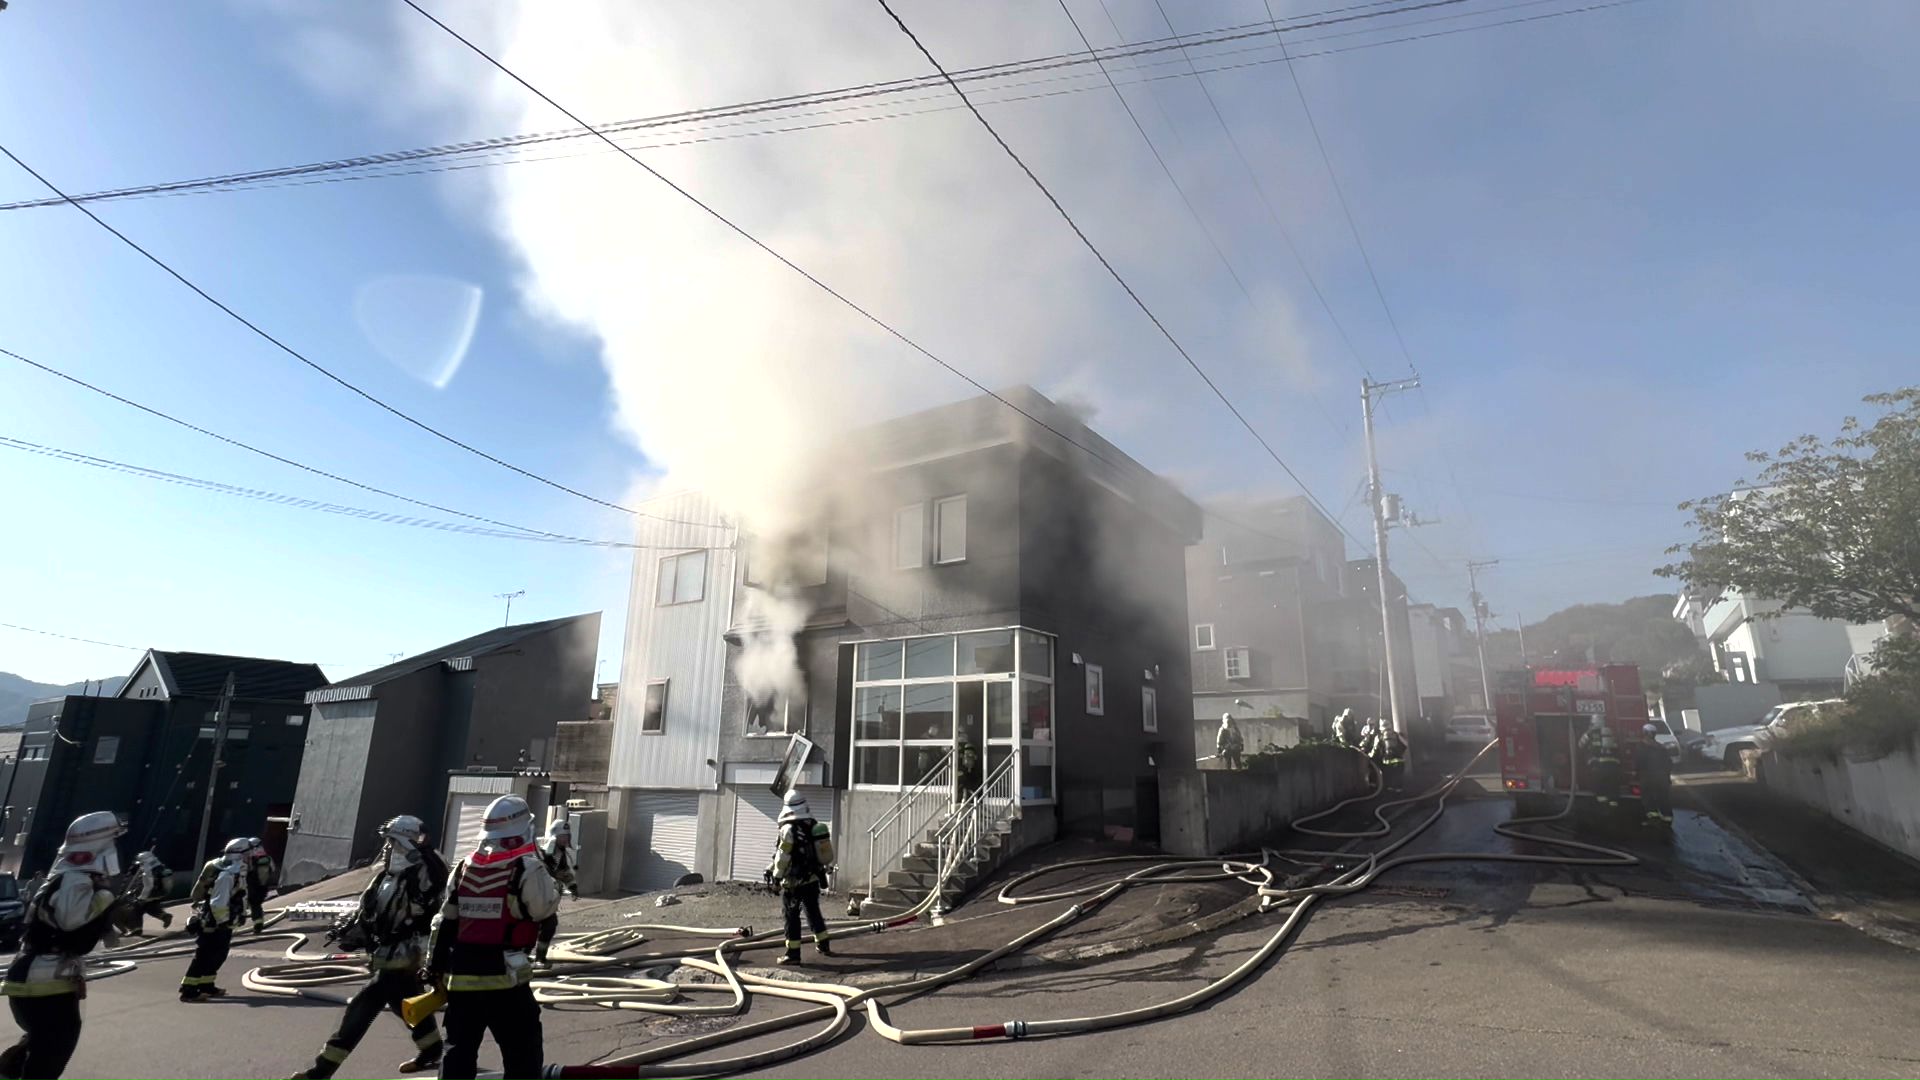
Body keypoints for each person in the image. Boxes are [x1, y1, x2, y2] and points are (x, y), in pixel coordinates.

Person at [287, 815, 448, 1080]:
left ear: (407, 844)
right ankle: (431, 1049)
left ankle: (321, 1071)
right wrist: (351, 931)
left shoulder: (428, 876)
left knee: (361, 1008)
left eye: (392, 842)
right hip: (387, 954)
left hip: (405, 956)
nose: (386, 849)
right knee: (404, 1003)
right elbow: (370, 911)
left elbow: (432, 917)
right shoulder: (386, 876)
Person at [426, 794, 559, 1080]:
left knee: (458, 1055)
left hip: (462, 980)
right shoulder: (527, 869)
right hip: (506, 983)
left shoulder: (463, 868)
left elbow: (444, 922)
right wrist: (555, 885)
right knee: (522, 1057)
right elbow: (543, 910)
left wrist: (434, 967)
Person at [0, 811, 123, 1080]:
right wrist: (105, 896)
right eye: (113, 840)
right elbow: (71, 920)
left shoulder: (67, 876)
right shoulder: (76, 878)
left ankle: (13, 1069)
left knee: (45, 1042)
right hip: (44, 980)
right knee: (55, 1046)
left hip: (38, 977)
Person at [764, 789, 833, 966]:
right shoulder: (812, 824)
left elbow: (783, 856)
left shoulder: (788, 829)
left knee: (791, 916)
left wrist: (776, 877)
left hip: (794, 882)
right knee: (813, 911)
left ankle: (793, 954)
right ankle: (823, 943)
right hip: (812, 878)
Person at [180, 838, 251, 1002]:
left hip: (222, 920)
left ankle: (206, 984)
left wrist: (241, 914)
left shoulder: (236, 871)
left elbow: (239, 895)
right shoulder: (227, 875)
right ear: (239, 855)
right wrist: (223, 922)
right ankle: (189, 989)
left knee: (218, 955)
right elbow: (218, 902)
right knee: (204, 955)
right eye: (247, 854)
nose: (250, 857)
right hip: (214, 922)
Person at [532, 818, 577, 966]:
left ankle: (539, 957)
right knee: (535, 926)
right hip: (535, 896)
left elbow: (563, 872)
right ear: (554, 836)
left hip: (549, 898)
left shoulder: (561, 854)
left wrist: (572, 886)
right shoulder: (541, 853)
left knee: (549, 925)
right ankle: (527, 957)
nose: (565, 839)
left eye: (567, 836)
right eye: (562, 836)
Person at [1579, 718, 1623, 812]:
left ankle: (1603, 809)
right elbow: (1619, 748)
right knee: (1613, 791)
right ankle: (1614, 810)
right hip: (1614, 767)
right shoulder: (1611, 733)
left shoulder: (1590, 733)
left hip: (1598, 767)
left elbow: (1580, 745)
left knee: (1600, 791)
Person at [1636, 723, 1675, 826]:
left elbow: (1639, 763)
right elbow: (1669, 764)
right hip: (1662, 779)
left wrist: (1637, 774)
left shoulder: (1641, 747)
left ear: (1645, 733)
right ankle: (1667, 818)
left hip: (1648, 779)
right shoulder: (1661, 747)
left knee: (1648, 798)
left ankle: (1653, 819)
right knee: (1663, 798)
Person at [127, 849, 173, 935]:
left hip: (153, 893)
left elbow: (148, 886)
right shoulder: (161, 867)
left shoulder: (148, 871)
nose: (140, 865)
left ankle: (136, 929)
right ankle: (164, 916)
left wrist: (141, 898)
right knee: (149, 907)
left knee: (137, 907)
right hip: (162, 893)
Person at [245, 837, 277, 932]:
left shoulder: (250, 858)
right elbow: (273, 869)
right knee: (257, 904)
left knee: (253, 904)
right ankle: (258, 919)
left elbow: (246, 870)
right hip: (263, 886)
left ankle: (258, 923)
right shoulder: (267, 857)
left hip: (252, 885)